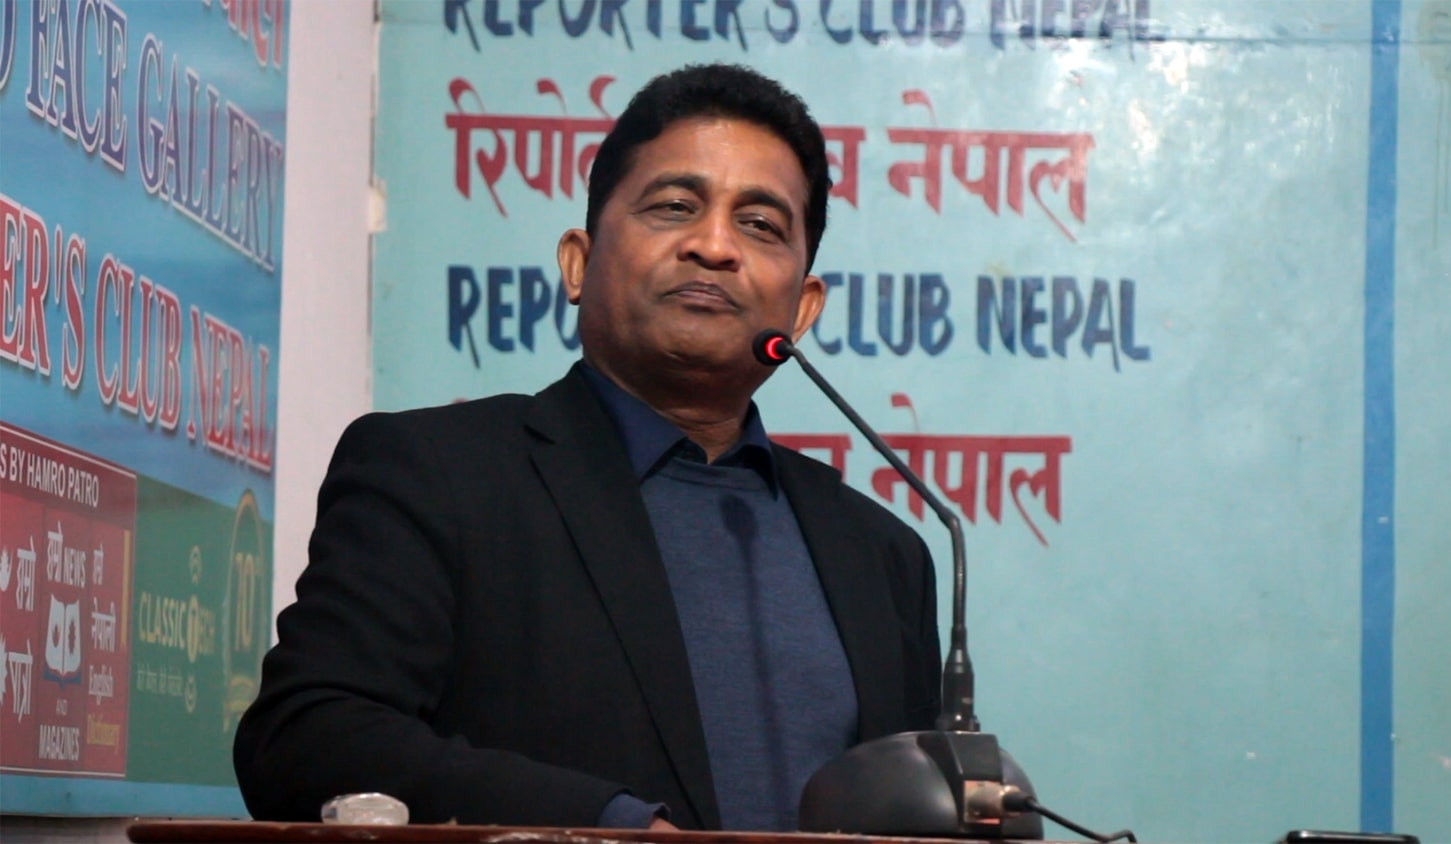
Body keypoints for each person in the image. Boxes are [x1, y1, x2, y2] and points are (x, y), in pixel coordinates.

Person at [233, 63, 940, 832]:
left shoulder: (883, 555)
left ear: (801, 309)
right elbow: (307, 738)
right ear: (578, 262)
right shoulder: (438, 475)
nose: (714, 246)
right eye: (675, 207)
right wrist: (604, 825)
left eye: (761, 225)